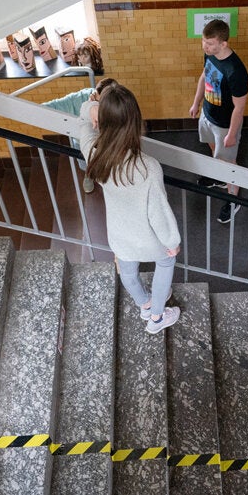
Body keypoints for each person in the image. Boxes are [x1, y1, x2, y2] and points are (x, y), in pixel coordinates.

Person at [75, 81, 182, 333]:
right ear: (135, 121)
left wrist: (92, 107)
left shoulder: (95, 155)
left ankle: (144, 305)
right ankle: (157, 317)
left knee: (129, 272)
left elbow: (82, 120)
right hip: (151, 240)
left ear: (101, 121)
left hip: (120, 237)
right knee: (166, 264)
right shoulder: (148, 168)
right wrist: (172, 242)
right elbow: (160, 214)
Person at [188, 19, 248, 224]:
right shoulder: (210, 54)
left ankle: (233, 200)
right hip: (208, 114)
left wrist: (232, 133)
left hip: (225, 125)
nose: (205, 46)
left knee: (229, 162)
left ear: (223, 44)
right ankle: (219, 177)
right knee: (214, 152)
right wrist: (196, 103)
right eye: (204, 41)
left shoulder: (236, 71)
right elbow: (203, 76)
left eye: (210, 43)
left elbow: (239, 108)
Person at [43, 77, 117, 194]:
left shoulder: (118, 106)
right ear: (94, 94)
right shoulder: (79, 99)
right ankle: (89, 174)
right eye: (97, 102)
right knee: (86, 164)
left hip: (106, 143)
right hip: (81, 143)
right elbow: (50, 107)